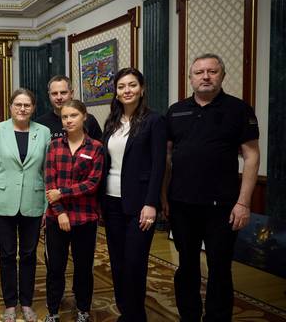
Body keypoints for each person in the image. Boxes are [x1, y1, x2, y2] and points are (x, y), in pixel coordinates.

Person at [163, 53, 260, 321]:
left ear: (222, 75)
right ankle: (189, 316)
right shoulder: (176, 111)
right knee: (187, 266)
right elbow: (167, 158)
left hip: (223, 207)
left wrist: (244, 202)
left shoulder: (239, 110)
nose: (205, 76)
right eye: (199, 72)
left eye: (212, 71)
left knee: (219, 267)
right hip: (182, 205)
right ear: (190, 78)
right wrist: (163, 195)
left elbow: (252, 157)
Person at [0, 88, 51, 322]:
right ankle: (10, 303)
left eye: (27, 105)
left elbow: (47, 172)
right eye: (18, 104)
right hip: (2, 203)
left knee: (29, 255)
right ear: (10, 106)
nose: (22, 109)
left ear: (33, 108)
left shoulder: (44, 132)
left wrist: (47, 207)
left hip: (33, 201)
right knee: (7, 255)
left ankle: (27, 302)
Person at [100, 68, 166, 322]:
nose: (126, 90)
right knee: (116, 262)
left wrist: (151, 204)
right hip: (112, 202)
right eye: (121, 87)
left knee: (135, 262)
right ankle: (125, 311)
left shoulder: (154, 121)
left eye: (132, 85)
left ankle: (136, 316)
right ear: (116, 92)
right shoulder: (112, 122)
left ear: (142, 88)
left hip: (140, 204)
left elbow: (159, 165)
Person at [44, 100, 105, 322]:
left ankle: (83, 309)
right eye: (64, 117)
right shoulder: (54, 146)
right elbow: (49, 182)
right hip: (56, 217)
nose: (68, 120)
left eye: (73, 116)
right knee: (55, 268)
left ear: (84, 117)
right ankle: (52, 311)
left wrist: (63, 192)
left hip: (85, 218)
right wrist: (59, 210)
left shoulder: (96, 147)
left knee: (83, 268)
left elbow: (93, 184)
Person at [35, 75, 102, 140]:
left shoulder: (88, 120)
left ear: (71, 93)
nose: (59, 97)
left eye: (63, 93)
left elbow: (100, 148)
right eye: (54, 93)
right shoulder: (40, 124)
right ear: (49, 95)